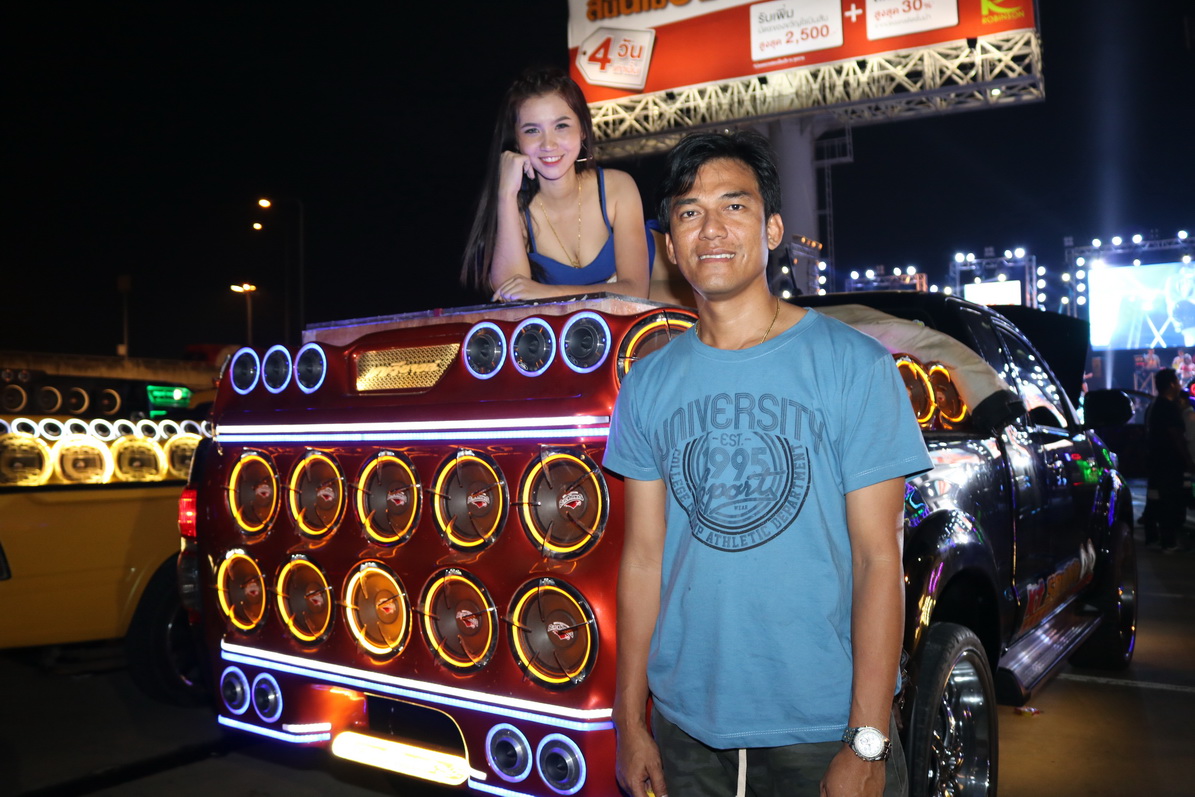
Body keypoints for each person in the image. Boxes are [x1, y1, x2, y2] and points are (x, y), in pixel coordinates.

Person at [602, 130, 933, 797]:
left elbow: (878, 560)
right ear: (670, 246)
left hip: (823, 731)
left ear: (773, 228)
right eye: (689, 212)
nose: (711, 228)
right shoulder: (646, 384)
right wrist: (628, 720)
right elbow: (642, 560)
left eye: (734, 205)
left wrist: (867, 740)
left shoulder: (854, 366)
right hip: (686, 732)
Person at [461, 67, 649, 303]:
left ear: (582, 129)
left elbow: (636, 291)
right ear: (517, 141)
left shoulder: (617, 187)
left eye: (561, 126)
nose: (548, 144)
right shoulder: (517, 211)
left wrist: (547, 293)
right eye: (532, 130)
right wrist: (505, 194)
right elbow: (510, 295)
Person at [1144, 367, 1194, 552]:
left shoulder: (1156, 405)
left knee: (1156, 499)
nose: (1180, 385)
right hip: (1169, 462)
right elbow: (1176, 436)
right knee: (1170, 501)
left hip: (1158, 460)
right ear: (1172, 384)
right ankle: (1168, 542)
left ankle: (1153, 537)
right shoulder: (1168, 407)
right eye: (1177, 381)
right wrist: (1188, 460)